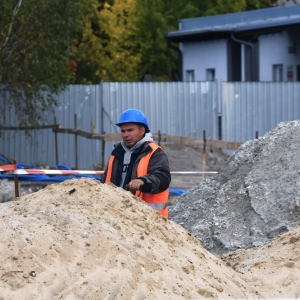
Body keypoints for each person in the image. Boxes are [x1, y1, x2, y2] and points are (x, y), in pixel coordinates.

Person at [102, 108, 171, 218]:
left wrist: (143, 181)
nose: (126, 135)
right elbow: (105, 180)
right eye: (123, 131)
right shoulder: (116, 153)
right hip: (116, 216)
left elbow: (162, 178)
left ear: (142, 130)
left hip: (148, 220)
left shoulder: (154, 152)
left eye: (130, 130)